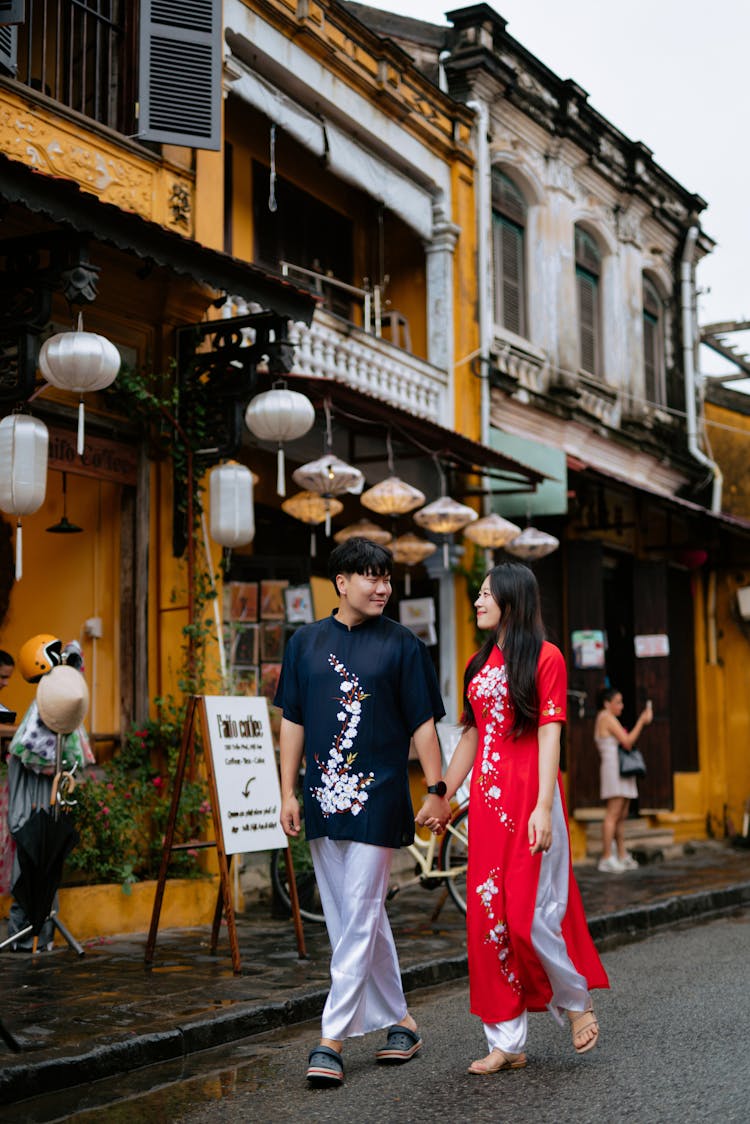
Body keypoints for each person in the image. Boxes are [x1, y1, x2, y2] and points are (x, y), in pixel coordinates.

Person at [418, 562, 609, 1074]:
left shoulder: (546, 659)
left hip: (531, 800)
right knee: (487, 918)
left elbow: (550, 734)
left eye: (485, 594)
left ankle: (576, 1003)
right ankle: (506, 1040)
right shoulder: (478, 666)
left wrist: (544, 805)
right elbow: (473, 738)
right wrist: (443, 793)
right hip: (487, 807)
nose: (477, 601)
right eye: (477, 594)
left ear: (512, 599)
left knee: (530, 915)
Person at [275, 538, 450, 1087]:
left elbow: (424, 724)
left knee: (359, 908)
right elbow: (293, 722)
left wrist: (438, 787)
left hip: (379, 796)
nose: (382, 588)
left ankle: (330, 1039)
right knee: (354, 915)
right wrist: (286, 792)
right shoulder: (304, 643)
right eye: (370, 578)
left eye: (387, 578)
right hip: (323, 799)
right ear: (341, 583)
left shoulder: (404, 646)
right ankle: (401, 1020)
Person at [594, 687, 653, 873]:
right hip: (614, 770)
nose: (621, 706)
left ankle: (621, 853)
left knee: (621, 815)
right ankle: (606, 857)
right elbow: (627, 741)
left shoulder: (609, 718)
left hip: (620, 769)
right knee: (613, 814)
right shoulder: (606, 717)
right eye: (618, 702)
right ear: (607, 703)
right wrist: (642, 721)